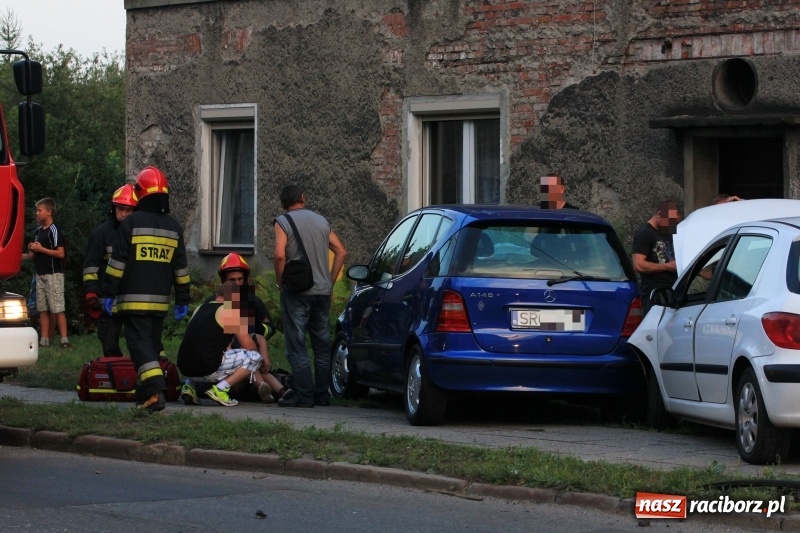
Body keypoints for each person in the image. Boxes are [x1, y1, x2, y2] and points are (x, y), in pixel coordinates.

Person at [100, 166, 191, 412]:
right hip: (160, 304)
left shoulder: (131, 223)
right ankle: (144, 396)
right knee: (150, 346)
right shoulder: (174, 228)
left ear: (141, 193)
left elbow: (117, 263)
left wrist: (108, 293)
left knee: (139, 347)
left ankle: (155, 391)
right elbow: (180, 269)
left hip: (133, 301)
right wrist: (183, 299)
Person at [273, 184, 347, 408]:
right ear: (303, 198)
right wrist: (330, 281)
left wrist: (280, 282)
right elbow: (341, 251)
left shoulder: (283, 222)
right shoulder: (322, 221)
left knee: (297, 344)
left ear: (283, 203)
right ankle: (322, 396)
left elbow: (278, 255)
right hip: (322, 293)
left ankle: (304, 396)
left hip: (297, 292)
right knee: (322, 345)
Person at [180, 252, 279, 405]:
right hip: (216, 360)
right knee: (254, 357)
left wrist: (255, 333)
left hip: (185, 365)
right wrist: (257, 351)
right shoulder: (229, 309)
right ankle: (221, 389)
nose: (238, 284)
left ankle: (188, 386)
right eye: (233, 280)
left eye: (240, 279)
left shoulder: (202, 306)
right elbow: (249, 346)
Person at [83, 184, 137, 356]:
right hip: (108, 298)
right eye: (120, 209)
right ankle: (115, 373)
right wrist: (91, 294)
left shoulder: (139, 233)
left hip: (132, 296)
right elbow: (91, 265)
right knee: (108, 340)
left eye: (129, 210)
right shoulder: (101, 233)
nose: (123, 214)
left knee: (138, 342)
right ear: (113, 208)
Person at [22, 198, 70, 348]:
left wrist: (41, 249)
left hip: (53, 274)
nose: (37, 213)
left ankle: (64, 340)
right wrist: (30, 253)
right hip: (40, 274)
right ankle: (44, 340)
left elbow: (61, 253)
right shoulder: (37, 232)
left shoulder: (54, 230)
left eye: (39, 210)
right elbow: (37, 254)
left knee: (57, 308)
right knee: (42, 308)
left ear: (49, 212)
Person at [631, 200, 680, 315]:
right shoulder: (644, 233)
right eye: (671, 221)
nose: (672, 225)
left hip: (672, 290)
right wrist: (667, 266)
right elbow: (638, 265)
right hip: (654, 293)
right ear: (659, 214)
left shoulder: (668, 233)